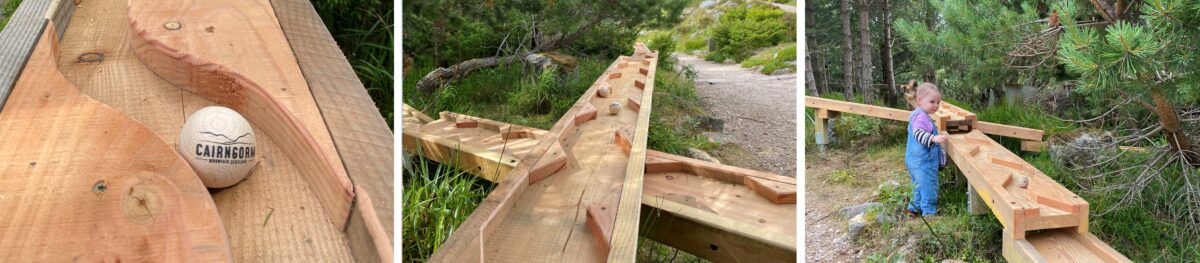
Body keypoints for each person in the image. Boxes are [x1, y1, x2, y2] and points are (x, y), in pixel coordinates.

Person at [906, 82, 948, 217]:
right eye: (932, 102)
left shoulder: (918, 114)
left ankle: (913, 209)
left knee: (917, 186)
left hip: (913, 161)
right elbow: (918, 133)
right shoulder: (921, 117)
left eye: (938, 102)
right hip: (923, 162)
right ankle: (929, 214)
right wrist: (932, 139)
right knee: (929, 186)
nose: (936, 105)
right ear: (919, 101)